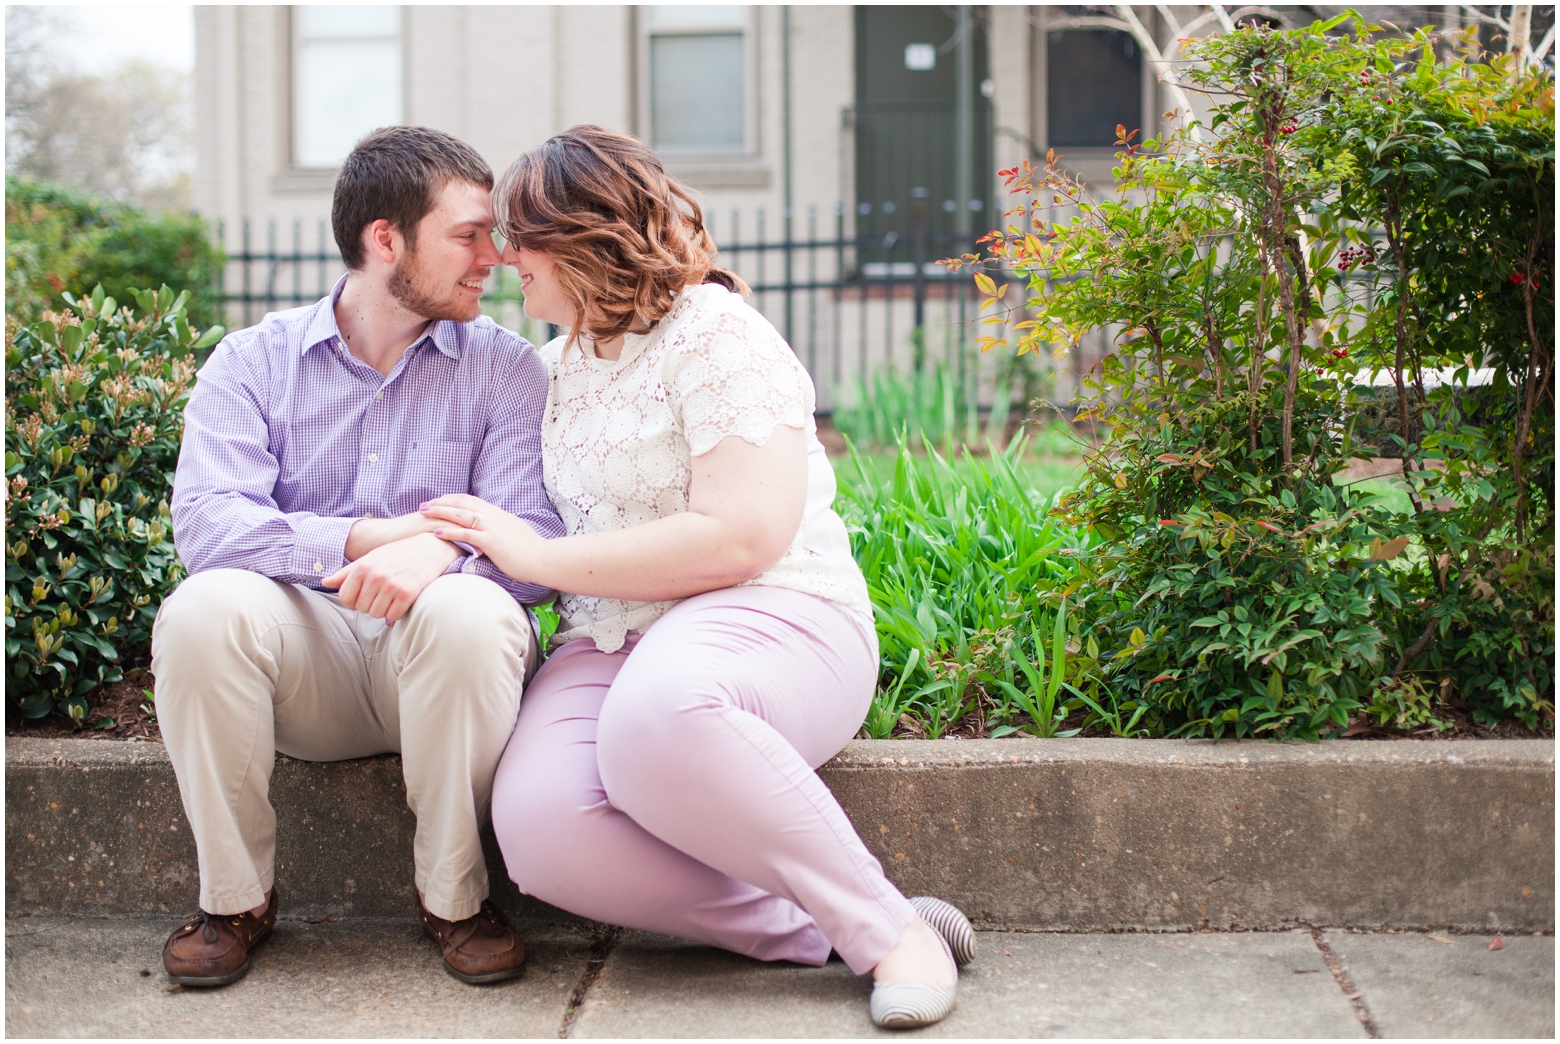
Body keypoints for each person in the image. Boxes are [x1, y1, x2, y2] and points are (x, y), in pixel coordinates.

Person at [418, 125, 976, 1029]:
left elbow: (741, 537)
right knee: (541, 830)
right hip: (606, 640)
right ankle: (826, 930)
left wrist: (540, 559)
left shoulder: (715, 335)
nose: (505, 256)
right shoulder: (544, 370)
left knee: (658, 714)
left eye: (522, 235)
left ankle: (889, 937)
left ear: (585, 234)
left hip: (772, 618)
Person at [152, 126, 562, 988]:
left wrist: (441, 558)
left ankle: (454, 897)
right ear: (386, 239)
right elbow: (209, 528)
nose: (495, 255)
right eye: (468, 234)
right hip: (308, 666)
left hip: (445, 666)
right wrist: (378, 536)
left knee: (473, 608)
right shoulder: (253, 362)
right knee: (202, 608)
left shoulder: (507, 370)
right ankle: (236, 899)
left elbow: (535, 554)